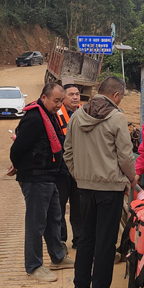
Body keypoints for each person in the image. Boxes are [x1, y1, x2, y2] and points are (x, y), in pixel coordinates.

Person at [64, 76, 135, 288]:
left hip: (84, 188)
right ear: (115, 95)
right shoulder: (116, 118)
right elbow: (125, 156)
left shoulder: (77, 116)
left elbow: (68, 152)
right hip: (110, 189)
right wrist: (131, 178)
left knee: (86, 238)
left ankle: (80, 286)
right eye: (121, 97)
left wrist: (79, 175)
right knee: (105, 242)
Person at [9, 82, 74, 282]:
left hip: (49, 175)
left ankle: (58, 256)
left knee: (54, 217)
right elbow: (17, 149)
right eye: (56, 100)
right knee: (36, 223)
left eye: (61, 101)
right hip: (35, 177)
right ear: (44, 98)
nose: (59, 104)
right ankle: (34, 265)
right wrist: (19, 166)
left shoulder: (50, 116)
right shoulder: (34, 118)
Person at [56, 83, 82, 248]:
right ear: (63, 98)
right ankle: (60, 240)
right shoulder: (55, 115)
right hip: (62, 169)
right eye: (71, 94)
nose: (75, 97)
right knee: (58, 206)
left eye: (77, 94)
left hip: (80, 169)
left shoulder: (85, 113)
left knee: (79, 206)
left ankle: (79, 239)